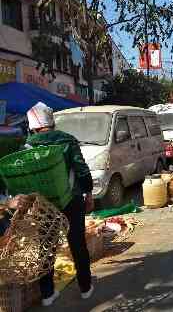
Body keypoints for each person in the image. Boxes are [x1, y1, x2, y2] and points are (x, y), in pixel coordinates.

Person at [23, 102, 94, 306]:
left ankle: (47, 294)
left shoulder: (27, 146)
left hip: (44, 205)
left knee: (46, 246)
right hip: (71, 200)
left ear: (34, 126)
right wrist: (88, 192)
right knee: (78, 244)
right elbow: (81, 169)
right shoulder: (67, 140)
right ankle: (85, 287)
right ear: (51, 122)